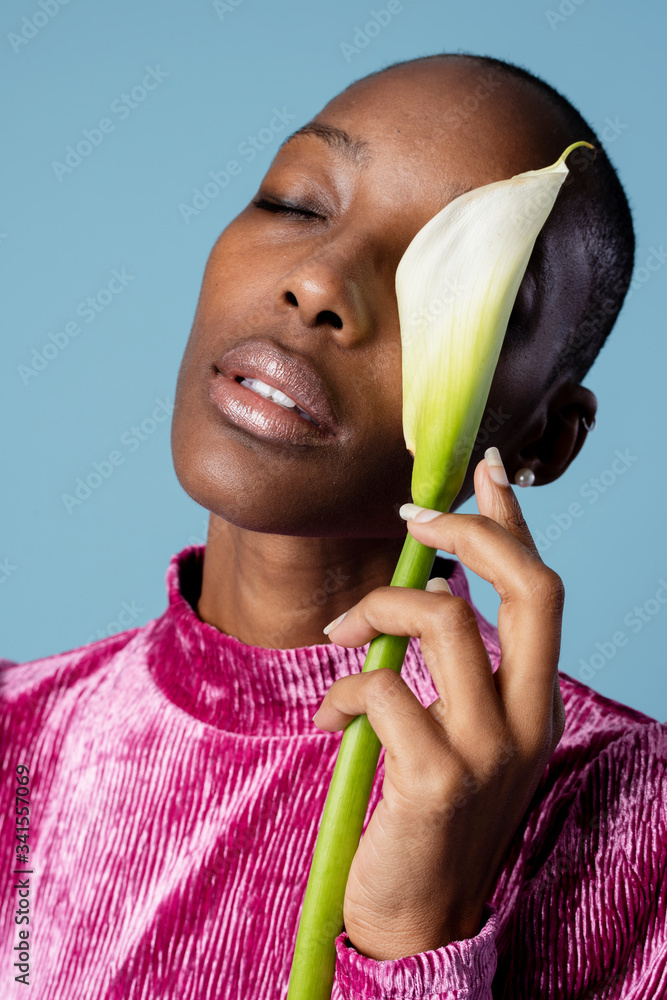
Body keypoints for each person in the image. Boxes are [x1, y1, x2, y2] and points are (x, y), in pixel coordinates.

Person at [2, 52, 665, 1000]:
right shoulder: (17, 737)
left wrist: (415, 941)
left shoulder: (632, 815)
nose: (318, 282)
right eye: (297, 204)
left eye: (454, 284)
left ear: (546, 438)